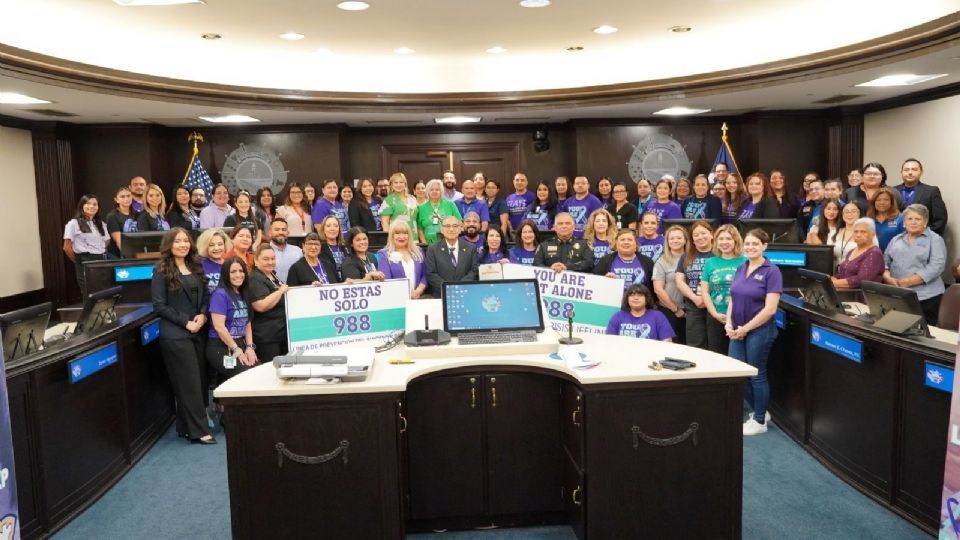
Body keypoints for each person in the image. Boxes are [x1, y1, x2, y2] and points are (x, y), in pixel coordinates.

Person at [150, 228, 214, 444]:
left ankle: (185, 427)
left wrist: (203, 315)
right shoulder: (160, 271)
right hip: (176, 334)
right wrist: (186, 322)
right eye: (178, 241)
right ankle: (198, 431)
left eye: (186, 241)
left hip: (198, 330)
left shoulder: (196, 266)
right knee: (189, 384)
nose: (183, 245)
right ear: (169, 245)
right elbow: (159, 306)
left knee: (199, 380)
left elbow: (206, 296)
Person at [727, 229, 783, 436]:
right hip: (737, 330)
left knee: (756, 375)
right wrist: (729, 324)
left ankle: (759, 421)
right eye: (747, 244)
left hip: (760, 331)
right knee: (737, 373)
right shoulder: (741, 267)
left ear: (764, 246)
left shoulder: (772, 271)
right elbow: (732, 298)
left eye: (755, 244)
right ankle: (761, 411)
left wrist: (745, 329)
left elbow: (770, 309)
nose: (750, 247)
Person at [882, 204, 947, 326]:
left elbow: (936, 267)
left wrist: (908, 281)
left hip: (926, 298)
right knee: (898, 328)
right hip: (899, 294)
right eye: (909, 219)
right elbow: (884, 262)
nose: (913, 222)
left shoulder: (935, 240)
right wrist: (887, 277)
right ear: (904, 222)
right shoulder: (896, 239)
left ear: (925, 222)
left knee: (923, 333)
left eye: (918, 219)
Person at [206, 256, 257, 387]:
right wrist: (236, 349)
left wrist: (250, 347)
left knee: (258, 371)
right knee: (248, 375)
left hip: (240, 343)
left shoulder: (244, 293)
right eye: (233, 272)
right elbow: (219, 327)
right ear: (225, 274)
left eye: (241, 271)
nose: (238, 275)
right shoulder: (220, 294)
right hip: (221, 347)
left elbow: (247, 322)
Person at [701, 225, 747, 355]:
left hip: (740, 318)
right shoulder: (710, 262)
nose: (724, 242)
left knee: (737, 357)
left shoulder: (745, 261)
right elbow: (705, 291)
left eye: (728, 239)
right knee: (717, 355)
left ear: (736, 241)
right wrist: (714, 313)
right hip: (716, 317)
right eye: (721, 239)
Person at [245, 244, 290, 362]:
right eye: (266, 259)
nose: (270, 262)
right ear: (256, 260)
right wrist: (280, 291)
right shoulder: (254, 278)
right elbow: (260, 306)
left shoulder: (273, 275)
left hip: (281, 334)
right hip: (267, 338)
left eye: (273, 259)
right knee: (270, 369)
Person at [675, 221, 715, 349]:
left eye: (703, 233)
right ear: (692, 239)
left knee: (716, 345)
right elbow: (679, 281)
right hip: (694, 306)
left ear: (711, 234)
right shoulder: (685, 256)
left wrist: (706, 298)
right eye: (696, 235)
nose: (700, 237)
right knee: (695, 346)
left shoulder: (719, 255)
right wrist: (695, 298)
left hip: (716, 305)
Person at [63, 194, 110, 297]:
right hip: (85, 260)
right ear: (81, 206)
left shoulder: (101, 224)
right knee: (90, 294)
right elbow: (66, 247)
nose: (91, 206)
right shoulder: (74, 223)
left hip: (101, 260)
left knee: (103, 293)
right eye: (88, 203)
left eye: (95, 204)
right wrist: (78, 261)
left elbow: (106, 242)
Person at [892, 158, 948, 235]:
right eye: (906, 170)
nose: (910, 172)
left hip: (924, 238)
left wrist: (924, 236)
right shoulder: (892, 191)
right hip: (895, 238)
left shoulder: (932, 191)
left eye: (914, 169)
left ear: (921, 172)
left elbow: (940, 220)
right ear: (901, 172)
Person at [653, 225, 689, 344]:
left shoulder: (693, 258)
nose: (675, 241)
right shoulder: (661, 261)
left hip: (693, 310)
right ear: (667, 242)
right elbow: (658, 289)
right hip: (670, 311)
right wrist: (675, 309)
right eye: (672, 238)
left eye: (679, 238)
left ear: (685, 240)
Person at [425, 216, 479, 294]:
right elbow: (431, 274)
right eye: (447, 226)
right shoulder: (432, 249)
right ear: (442, 230)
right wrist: (448, 288)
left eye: (455, 226)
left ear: (460, 229)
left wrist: (460, 286)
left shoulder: (471, 248)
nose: (451, 229)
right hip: (442, 294)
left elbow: (474, 271)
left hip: (465, 292)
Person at [605, 284, 675, 341]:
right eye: (632, 295)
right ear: (627, 299)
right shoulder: (618, 316)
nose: (636, 298)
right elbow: (610, 341)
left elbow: (667, 341)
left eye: (640, 295)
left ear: (647, 299)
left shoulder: (658, 316)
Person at [378, 219, 428, 299]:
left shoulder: (418, 251)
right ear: (392, 235)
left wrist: (419, 290)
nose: (401, 237)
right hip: (396, 299)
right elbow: (386, 280)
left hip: (418, 298)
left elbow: (425, 274)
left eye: (405, 233)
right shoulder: (384, 254)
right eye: (397, 233)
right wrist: (405, 294)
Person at [832, 218, 885, 289]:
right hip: (843, 292)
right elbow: (843, 272)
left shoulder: (874, 253)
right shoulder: (851, 251)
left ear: (873, 234)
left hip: (861, 294)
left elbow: (861, 280)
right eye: (856, 232)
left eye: (863, 232)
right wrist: (833, 278)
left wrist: (834, 283)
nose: (858, 235)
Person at [416, 179, 462, 244]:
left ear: (441, 191)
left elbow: (459, 222)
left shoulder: (450, 204)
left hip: (450, 243)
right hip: (429, 245)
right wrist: (424, 243)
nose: (434, 192)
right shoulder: (421, 208)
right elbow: (419, 228)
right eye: (431, 190)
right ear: (428, 191)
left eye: (437, 190)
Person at [831, 202, 875, 267]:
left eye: (853, 211)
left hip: (859, 270)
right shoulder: (834, 232)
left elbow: (873, 256)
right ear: (842, 214)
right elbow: (828, 254)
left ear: (859, 213)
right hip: (835, 271)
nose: (850, 214)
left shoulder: (868, 232)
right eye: (846, 212)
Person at [105, 186, 138, 258]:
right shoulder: (112, 216)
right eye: (122, 197)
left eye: (128, 196)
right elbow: (119, 241)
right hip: (119, 256)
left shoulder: (137, 214)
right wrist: (130, 256)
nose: (126, 199)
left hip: (136, 252)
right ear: (116, 200)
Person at [869, 187, 904, 252]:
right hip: (872, 255)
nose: (882, 202)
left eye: (886, 200)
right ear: (874, 202)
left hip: (894, 255)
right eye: (878, 200)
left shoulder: (901, 218)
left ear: (891, 202)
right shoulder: (868, 219)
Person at [197, 228, 231, 293]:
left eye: (220, 244)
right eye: (211, 245)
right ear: (205, 247)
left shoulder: (230, 265)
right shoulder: (199, 265)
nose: (216, 248)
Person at [268, 217, 301, 283]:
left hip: (295, 288)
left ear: (288, 233)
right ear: (270, 232)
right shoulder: (263, 252)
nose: (280, 232)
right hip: (271, 288)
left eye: (284, 229)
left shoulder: (298, 252)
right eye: (277, 229)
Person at [318, 214, 348, 279]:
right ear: (323, 229)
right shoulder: (319, 249)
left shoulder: (345, 247)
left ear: (339, 229)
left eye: (336, 226)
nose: (332, 229)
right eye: (328, 226)